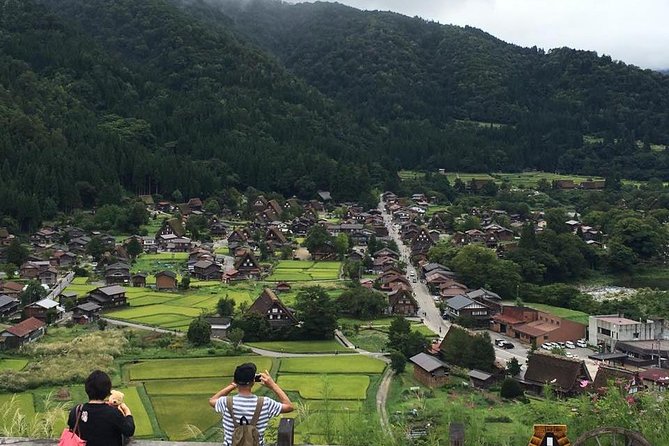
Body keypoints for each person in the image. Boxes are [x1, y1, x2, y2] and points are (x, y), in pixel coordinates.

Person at [209, 363, 294, 446]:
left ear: (235, 380)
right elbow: (289, 406)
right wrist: (273, 385)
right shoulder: (265, 403)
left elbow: (212, 400)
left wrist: (233, 385)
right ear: (253, 381)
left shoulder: (225, 402)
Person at [67, 370, 135, 446]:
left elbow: (72, 430)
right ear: (107, 391)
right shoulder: (113, 413)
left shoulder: (76, 411)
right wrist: (127, 412)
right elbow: (129, 430)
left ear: (87, 389)